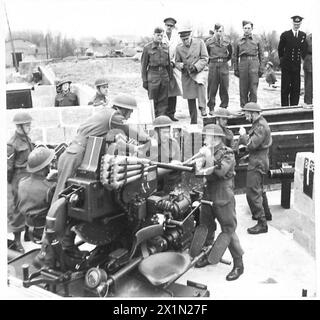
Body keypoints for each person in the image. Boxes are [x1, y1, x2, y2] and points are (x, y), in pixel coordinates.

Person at [34, 94, 151, 268]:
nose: (129, 116)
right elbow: (130, 130)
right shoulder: (114, 116)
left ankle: (66, 245)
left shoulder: (104, 116)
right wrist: (148, 140)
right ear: (123, 109)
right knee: (60, 203)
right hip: (77, 156)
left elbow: (117, 141)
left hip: (76, 154)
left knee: (71, 205)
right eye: (129, 112)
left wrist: (134, 149)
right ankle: (45, 254)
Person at [195, 124, 244, 281]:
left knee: (228, 230)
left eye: (206, 136)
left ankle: (238, 264)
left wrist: (207, 157)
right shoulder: (207, 151)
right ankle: (209, 254)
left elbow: (221, 172)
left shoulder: (227, 153)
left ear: (215, 138)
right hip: (208, 194)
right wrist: (198, 163)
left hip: (223, 196)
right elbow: (199, 172)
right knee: (207, 227)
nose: (204, 139)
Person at [238, 102, 272, 234]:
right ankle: (266, 214)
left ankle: (261, 222)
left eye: (247, 113)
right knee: (259, 189)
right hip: (260, 159)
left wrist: (243, 135)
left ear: (253, 113)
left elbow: (251, 144)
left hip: (257, 162)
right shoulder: (260, 123)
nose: (246, 116)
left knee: (253, 192)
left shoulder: (260, 127)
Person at [17, 147, 56, 243]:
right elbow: (55, 210)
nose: (50, 166)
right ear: (45, 167)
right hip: (43, 230)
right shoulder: (49, 188)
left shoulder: (22, 182)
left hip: (28, 226)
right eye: (49, 164)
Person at [7, 112, 34, 253]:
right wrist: (10, 184)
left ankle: (28, 233)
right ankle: (17, 241)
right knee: (18, 208)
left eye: (29, 124)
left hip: (28, 176)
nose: (30, 127)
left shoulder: (27, 139)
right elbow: (8, 167)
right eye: (27, 125)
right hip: (18, 178)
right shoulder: (12, 144)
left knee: (28, 204)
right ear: (19, 127)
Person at [175, 26, 209, 123]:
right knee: (190, 97)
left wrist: (196, 67)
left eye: (187, 39)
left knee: (200, 83)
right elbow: (176, 61)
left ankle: (202, 107)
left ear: (190, 36)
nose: (185, 41)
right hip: (187, 73)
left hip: (199, 70)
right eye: (183, 39)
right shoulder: (179, 48)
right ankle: (193, 119)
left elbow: (205, 58)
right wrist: (180, 65)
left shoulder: (199, 43)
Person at [141, 27, 171, 118]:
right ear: (153, 35)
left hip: (164, 75)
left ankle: (161, 119)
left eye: (162, 35)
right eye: (158, 35)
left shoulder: (165, 46)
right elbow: (143, 66)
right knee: (153, 99)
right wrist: (145, 80)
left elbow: (168, 64)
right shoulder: (147, 48)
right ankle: (153, 118)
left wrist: (169, 77)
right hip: (153, 75)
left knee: (163, 99)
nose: (160, 37)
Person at [234, 20, 264, 108]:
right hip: (243, 63)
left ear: (252, 29)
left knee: (253, 87)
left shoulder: (257, 40)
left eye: (249, 28)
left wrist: (261, 68)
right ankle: (244, 108)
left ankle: (252, 108)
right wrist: (236, 69)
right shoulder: (238, 40)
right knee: (243, 88)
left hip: (254, 63)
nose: (247, 30)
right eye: (245, 28)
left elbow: (261, 55)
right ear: (243, 29)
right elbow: (234, 56)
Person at [278, 15, 306, 106]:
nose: (296, 25)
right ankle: (284, 108)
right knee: (285, 88)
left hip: (296, 66)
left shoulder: (302, 35)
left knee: (296, 88)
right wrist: (282, 62)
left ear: (300, 23)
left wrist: (302, 60)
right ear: (292, 23)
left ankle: (294, 107)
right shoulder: (285, 34)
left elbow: (304, 50)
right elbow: (280, 49)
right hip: (286, 66)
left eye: (298, 23)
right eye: (295, 23)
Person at [149, 115, 181, 193]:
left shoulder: (173, 143)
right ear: (156, 132)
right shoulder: (149, 146)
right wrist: (170, 167)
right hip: (154, 188)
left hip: (171, 186)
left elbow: (179, 164)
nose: (167, 135)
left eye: (168, 132)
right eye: (164, 132)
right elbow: (149, 174)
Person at [206, 23, 232, 113]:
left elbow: (230, 54)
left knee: (224, 86)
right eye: (217, 31)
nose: (219, 33)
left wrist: (224, 61)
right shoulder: (209, 42)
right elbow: (206, 54)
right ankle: (211, 107)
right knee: (212, 87)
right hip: (213, 65)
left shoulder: (227, 41)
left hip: (224, 65)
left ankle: (223, 107)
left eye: (221, 31)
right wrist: (212, 62)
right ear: (215, 31)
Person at [162, 17, 182, 121]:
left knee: (173, 89)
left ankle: (171, 113)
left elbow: (178, 50)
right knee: (164, 90)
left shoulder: (176, 37)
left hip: (173, 66)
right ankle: (163, 112)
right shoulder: (161, 36)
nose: (169, 27)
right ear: (165, 26)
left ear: (174, 27)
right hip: (163, 66)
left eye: (171, 26)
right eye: (167, 25)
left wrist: (173, 61)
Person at [302, 33, 312, 105]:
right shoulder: (308, 38)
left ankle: (308, 103)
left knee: (309, 84)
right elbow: (303, 52)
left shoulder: (308, 37)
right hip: (309, 62)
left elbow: (303, 53)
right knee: (309, 85)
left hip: (309, 61)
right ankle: (308, 103)